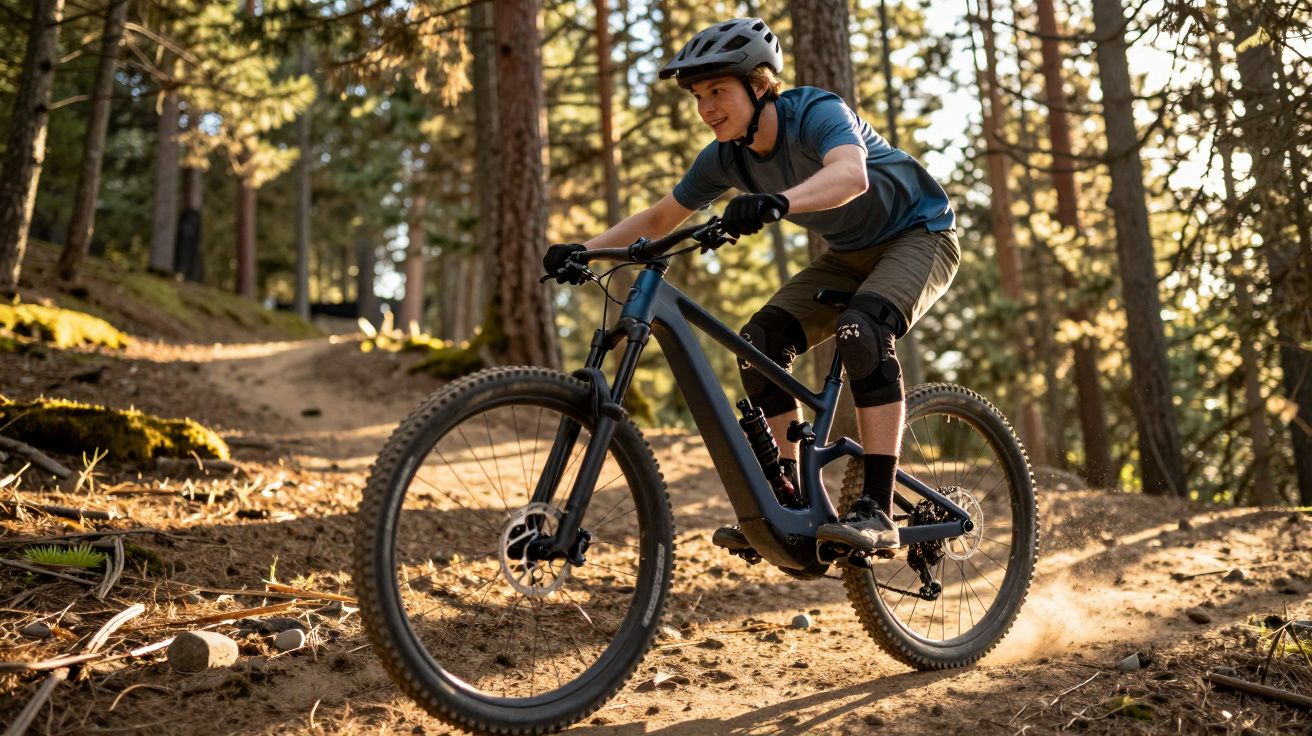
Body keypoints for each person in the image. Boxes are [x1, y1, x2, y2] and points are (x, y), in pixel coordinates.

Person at [542, 18, 959, 554]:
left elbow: (851, 175)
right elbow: (663, 215)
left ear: (759, 85)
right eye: (698, 95)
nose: (706, 107)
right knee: (757, 345)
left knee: (863, 329)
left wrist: (779, 201)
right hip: (849, 257)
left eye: (718, 90)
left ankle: (876, 508)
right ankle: (791, 496)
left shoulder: (815, 113)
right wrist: (587, 249)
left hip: (919, 235)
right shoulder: (725, 157)